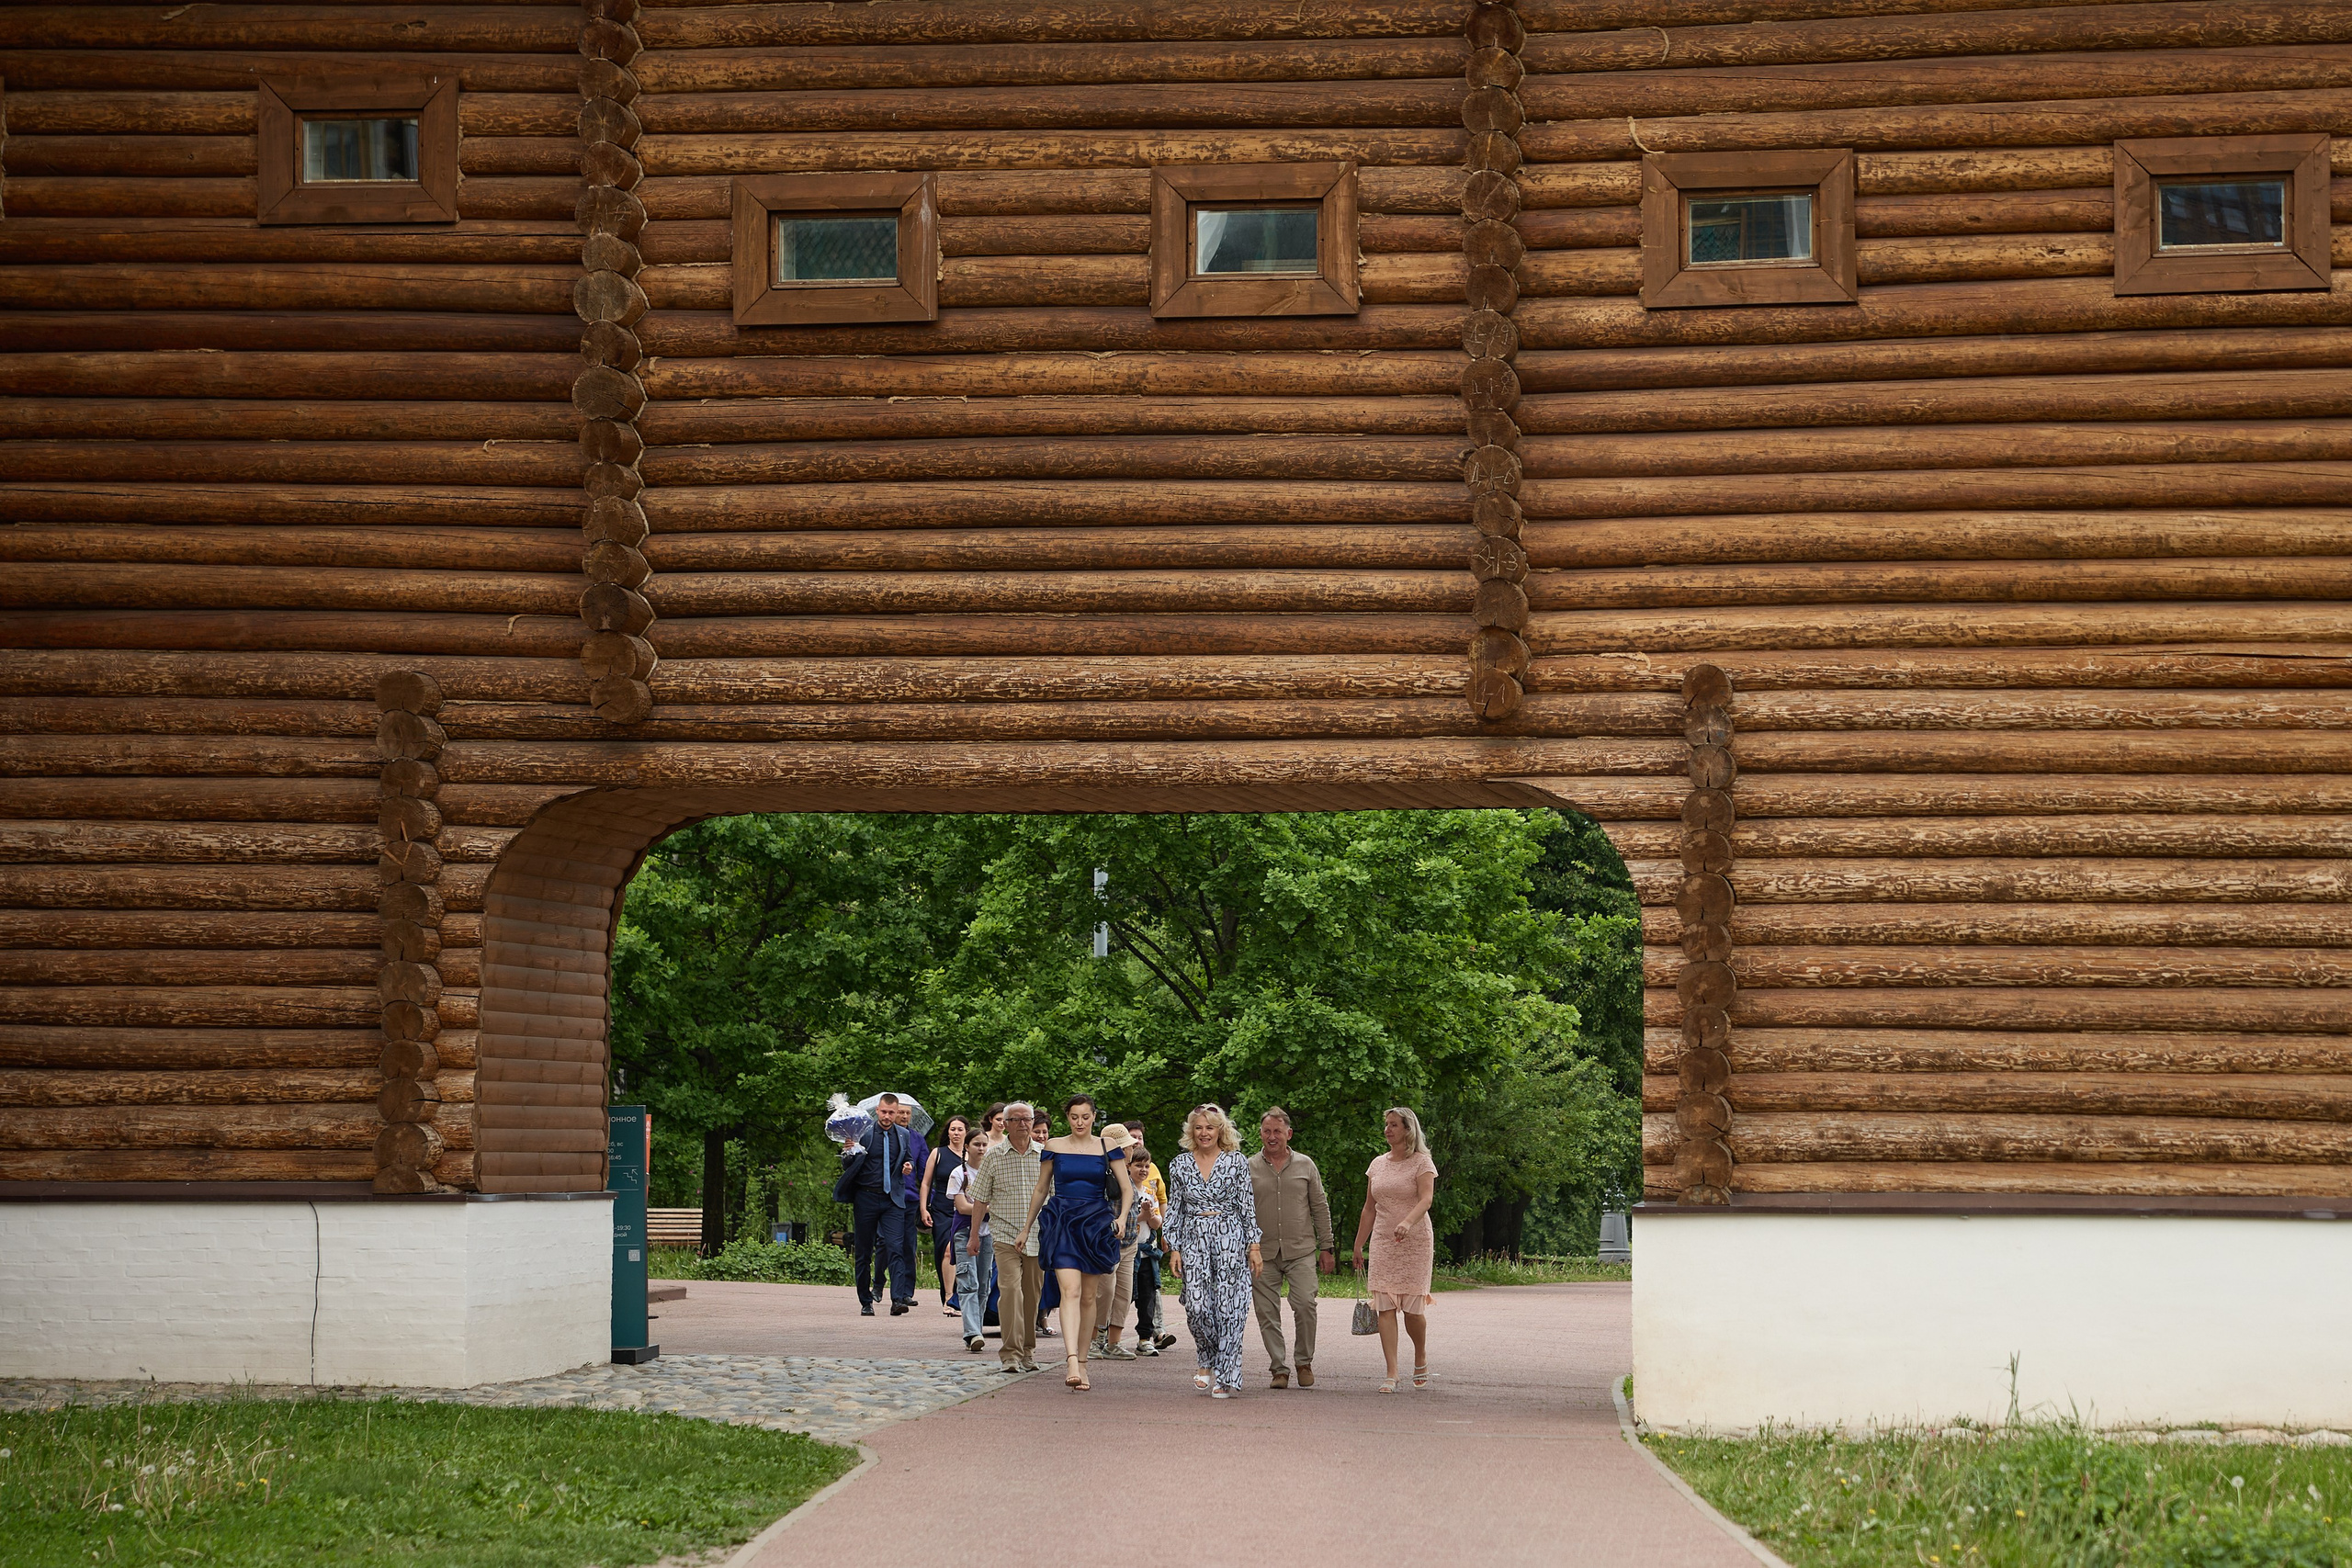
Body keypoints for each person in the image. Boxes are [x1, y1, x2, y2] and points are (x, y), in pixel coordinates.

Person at [1015, 1094, 1134, 1392]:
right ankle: (1070, 1361)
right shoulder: (1054, 1146)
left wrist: (1121, 1219)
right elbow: (1042, 1188)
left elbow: (1126, 1188)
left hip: (1095, 1223)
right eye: (1074, 1117)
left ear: (1094, 1117)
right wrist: (1026, 1228)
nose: (1080, 1122)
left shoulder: (1108, 1145)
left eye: (1085, 1117)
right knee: (1071, 1290)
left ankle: (1083, 1362)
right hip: (1063, 1221)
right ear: (1067, 1118)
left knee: (1089, 1297)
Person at [1163, 1104, 1261, 1399]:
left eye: (1210, 1127)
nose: (1204, 1133)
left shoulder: (1236, 1161)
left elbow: (1247, 1205)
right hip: (1193, 1239)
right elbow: (1175, 1209)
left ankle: (1226, 1375)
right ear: (1191, 1131)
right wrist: (1174, 1247)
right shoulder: (1179, 1164)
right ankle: (1207, 1357)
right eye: (1199, 1127)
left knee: (1229, 1310)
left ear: (1221, 1130)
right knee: (1196, 1306)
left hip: (1230, 1237)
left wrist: (1254, 1245)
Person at [1248, 1106, 1335, 1390]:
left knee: (1305, 1303)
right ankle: (1279, 1369)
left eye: (1277, 1131)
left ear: (1289, 1133)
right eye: (1267, 1131)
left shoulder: (1305, 1165)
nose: (1272, 1136)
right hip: (1262, 1253)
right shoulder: (1248, 1167)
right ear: (1260, 1134)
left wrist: (1328, 1247)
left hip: (1301, 1250)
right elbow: (1241, 1211)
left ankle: (1304, 1362)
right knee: (1266, 1312)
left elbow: (1320, 1206)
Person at [1353, 1105, 1438, 1393]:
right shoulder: (1377, 1164)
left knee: (1413, 1311)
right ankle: (1392, 1372)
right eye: (1387, 1124)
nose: (1388, 1129)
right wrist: (1359, 1244)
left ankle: (1420, 1354)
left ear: (1408, 1129)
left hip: (1415, 1241)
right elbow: (1369, 1208)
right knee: (1385, 1307)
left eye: (1394, 1125)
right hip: (1383, 1241)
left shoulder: (1422, 1162)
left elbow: (1426, 1199)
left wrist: (1407, 1222)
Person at [966, 1102, 1045, 1374]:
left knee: (1032, 1297)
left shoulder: (1045, 1155)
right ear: (1006, 1123)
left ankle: (1028, 1351)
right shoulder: (993, 1155)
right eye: (1016, 1119)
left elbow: (1055, 1196)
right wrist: (974, 1236)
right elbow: (980, 1199)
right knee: (1010, 1292)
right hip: (1004, 1235)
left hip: (1037, 1235)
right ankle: (1010, 1353)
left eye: (1027, 1119)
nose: (1023, 1124)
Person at [833, 1092, 927, 1316]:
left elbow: (909, 1158)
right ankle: (866, 1301)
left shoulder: (903, 1135)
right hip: (866, 1198)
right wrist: (848, 1151)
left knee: (896, 1248)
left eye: (891, 1113)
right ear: (877, 1111)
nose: (887, 1116)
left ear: (896, 1113)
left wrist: (908, 1166)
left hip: (892, 1200)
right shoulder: (863, 1133)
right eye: (884, 1112)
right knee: (864, 1252)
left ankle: (897, 1300)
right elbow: (848, 1164)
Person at [1099, 1137, 1160, 1360]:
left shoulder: (1140, 1184)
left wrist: (1147, 1215)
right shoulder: (1105, 1174)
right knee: (1104, 1293)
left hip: (1132, 1245)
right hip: (1109, 1243)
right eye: (1127, 1147)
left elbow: (1154, 1220)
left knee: (1125, 1295)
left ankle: (1115, 1343)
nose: (1130, 1149)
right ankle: (1096, 1339)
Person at [947, 1126, 993, 1352]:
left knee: (983, 1284)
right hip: (964, 1231)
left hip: (988, 1232)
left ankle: (977, 1330)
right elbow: (962, 1207)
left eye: (984, 1144)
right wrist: (987, 1208)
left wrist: (985, 1209)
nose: (981, 1149)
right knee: (968, 1281)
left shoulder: (992, 1172)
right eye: (976, 1144)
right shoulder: (959, 1174)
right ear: (967, 1147)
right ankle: (972, 1332)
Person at [1129, 1137, 1175, 1352]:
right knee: (1121, 1297)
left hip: (1147, 1253)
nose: (1144, 1170)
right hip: (1127, 1252)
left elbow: (1157, 1223)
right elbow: (1125, 1220)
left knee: (1148, 1297)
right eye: (1139, 1165)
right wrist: (1142, 1215)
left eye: (1147, 1166)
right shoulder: (1125, 1191)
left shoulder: (1149, 1193)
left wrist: (1150, 1215)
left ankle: (1145, 1337)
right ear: (1128, 1166)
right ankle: (1107, 1335)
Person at [922, 1114, 969, 1314]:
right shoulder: (938, 1153)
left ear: (966, 1133)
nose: (956, 1133)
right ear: (947, 1132)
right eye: (952, 1129)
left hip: (965, 1209)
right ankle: (948, 1298)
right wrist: (923, 1208)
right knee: (946, 1251)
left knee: (958, 1251)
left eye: (960, 1129)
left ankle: (958, 1298)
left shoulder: (972, 1155)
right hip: (941, 1209)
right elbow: (926, 1183)